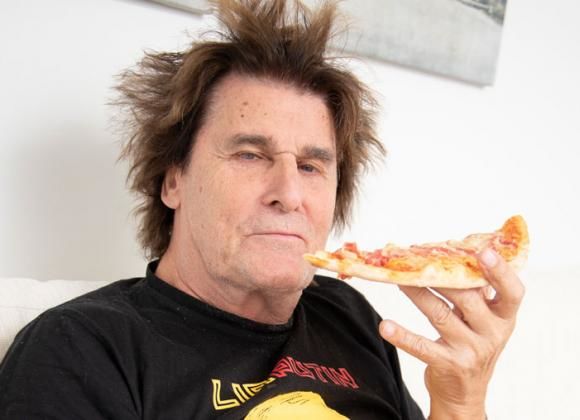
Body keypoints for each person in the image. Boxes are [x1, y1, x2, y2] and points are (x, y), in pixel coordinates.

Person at [0, 0, 524, 418]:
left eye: (312, 166)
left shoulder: (347, 314)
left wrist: (460, 402)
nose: (288, 193)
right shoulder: (81, 347)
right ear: (173, 180)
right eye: (250, 155)